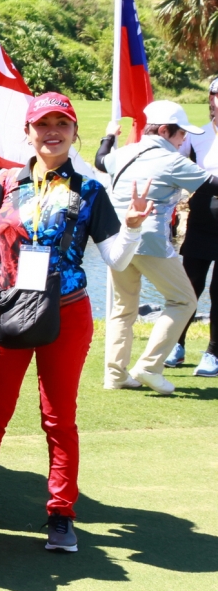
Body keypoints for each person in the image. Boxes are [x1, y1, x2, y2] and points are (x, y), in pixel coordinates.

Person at [0, 93, 150, 553]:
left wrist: (131, 227)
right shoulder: (7, 181)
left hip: (66, 312)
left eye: (62, 123)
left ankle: (60, 512)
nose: (51, 131)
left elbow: (113, 257)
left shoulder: (90, 189)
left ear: (75, 132)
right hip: (7, 309)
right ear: (28, 132)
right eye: (42, 124)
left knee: (58, 419)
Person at [95, 100, 210, 394]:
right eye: (181, 133)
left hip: (118, 240)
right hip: (150, 241)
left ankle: (115, 375)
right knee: (184, 301)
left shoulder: (124, 152)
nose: (184, 139)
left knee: (122, 309)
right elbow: (212, 183)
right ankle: (149, 366)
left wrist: (109, 135)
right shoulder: (172, 160)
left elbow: (100, 159)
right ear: (163, 131)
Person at [178, 77, 218, 376]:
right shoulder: (197, 134)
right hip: (201, 216)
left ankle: (213, 353)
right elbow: (174, 165)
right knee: (190, 284)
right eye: (215, 96)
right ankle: (176, 344)